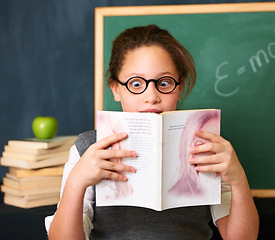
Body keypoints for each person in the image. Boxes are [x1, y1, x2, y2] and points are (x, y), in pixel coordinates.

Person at [46, 24, 259, 240]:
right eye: (136, 83)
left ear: (179, 87)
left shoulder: (209, 146)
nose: (152, 96)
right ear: (115, 88)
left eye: (164, 83)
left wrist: (238, 179)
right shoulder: (88, 148)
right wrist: (76, 182)